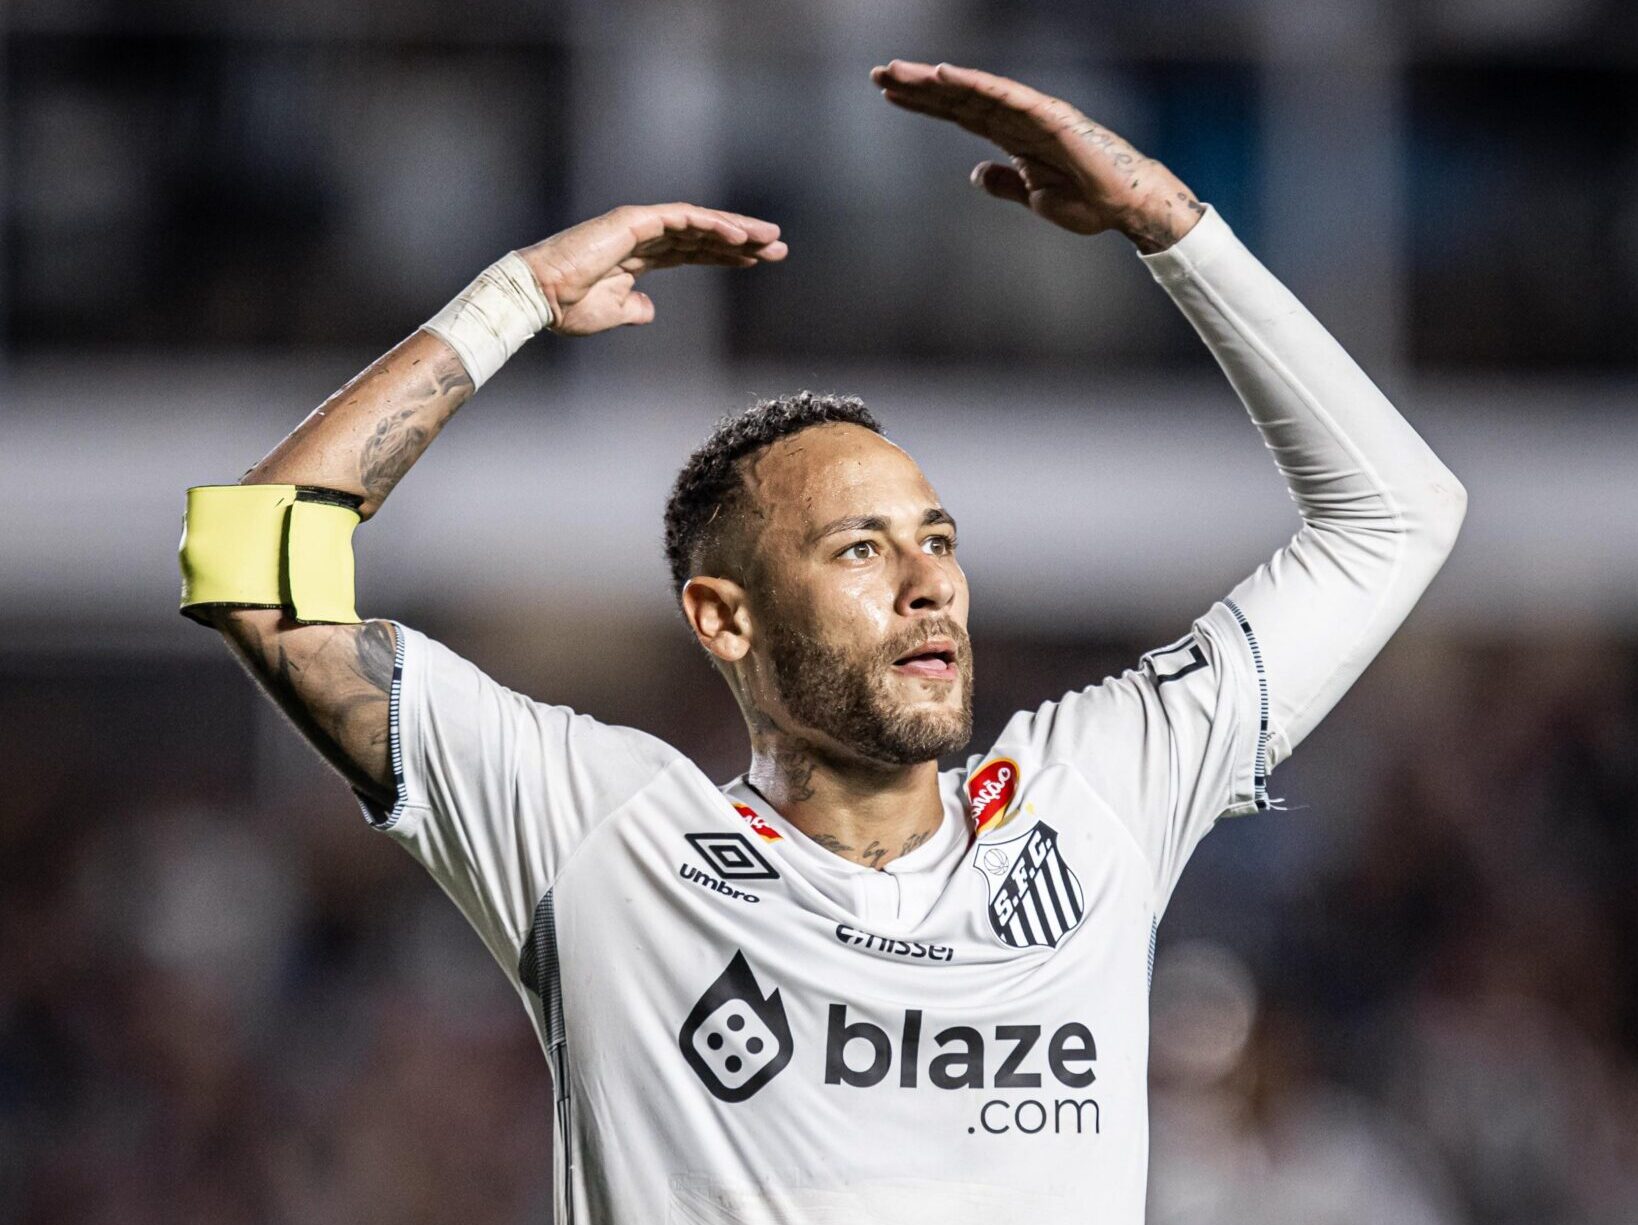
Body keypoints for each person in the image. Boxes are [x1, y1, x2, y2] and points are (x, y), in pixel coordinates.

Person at [187, 60, 1465, 1225]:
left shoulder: (1094, 804)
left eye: (939, 540)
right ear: (724, 617)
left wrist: (1170, 227)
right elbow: (252, 565)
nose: (929, 585)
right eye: (859, 549)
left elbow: (1399, 514)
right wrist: (512, 299)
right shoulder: (606, 842)